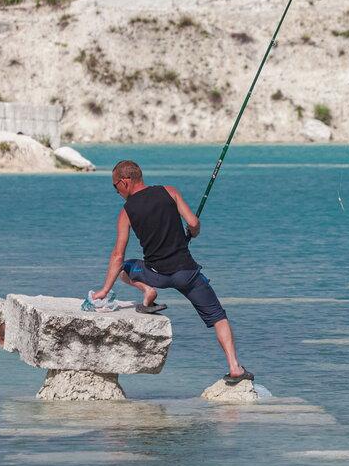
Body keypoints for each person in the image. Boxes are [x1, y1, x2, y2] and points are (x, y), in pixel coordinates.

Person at [90, 160, 253, 385]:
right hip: (187, 273)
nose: (116, 191)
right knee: (218, 317)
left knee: (125, 268)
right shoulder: (169, 192)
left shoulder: (127, 211)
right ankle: (235, 368)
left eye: (115, 186)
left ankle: (147, 290)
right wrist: (193, 232)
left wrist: (104, 290)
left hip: (154, 273)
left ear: (125, 182)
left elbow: (117, 256)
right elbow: (194, 223)